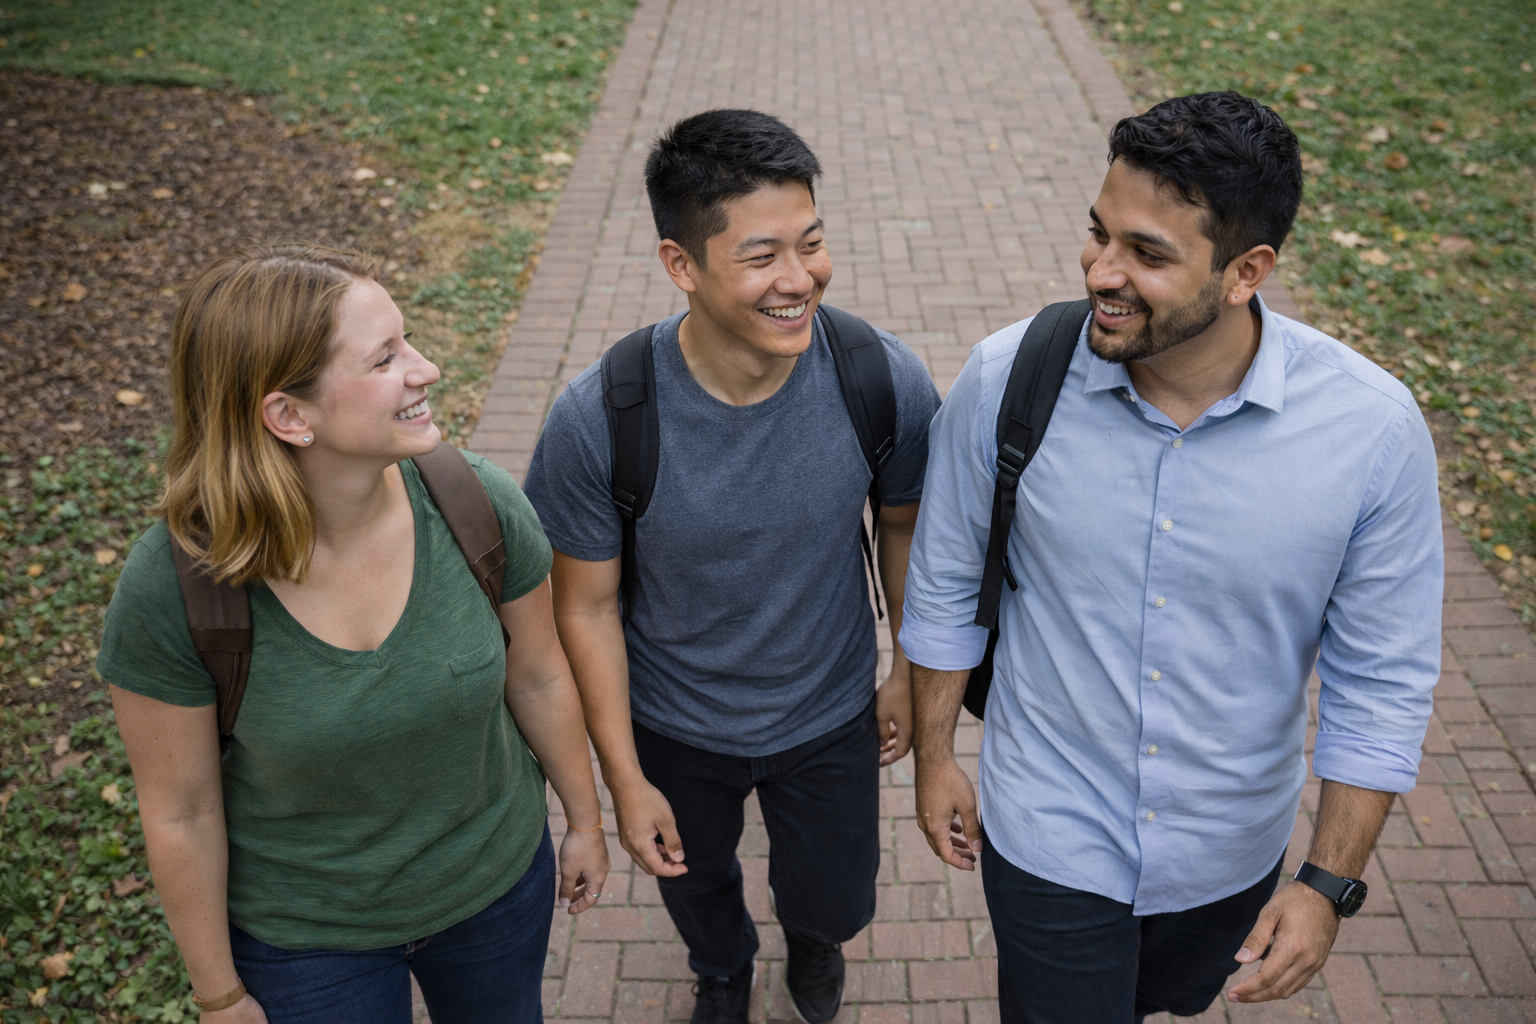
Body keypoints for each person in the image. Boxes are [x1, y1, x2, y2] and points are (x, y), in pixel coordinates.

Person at [902, 92, 1442, 1021]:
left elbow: (1382, 682)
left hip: (1229, 851)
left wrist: (1326, 883)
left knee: (1170, 999)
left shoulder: (1373, 433)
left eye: (1146, 254)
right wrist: (935, 756)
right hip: (1047, 833)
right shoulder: (1003, 379)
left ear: (1246, 272)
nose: (1100, 271)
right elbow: (946, 584)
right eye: (1098, 232)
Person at [99, 243, 610, 1024]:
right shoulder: (173, 588)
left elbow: (537, 674)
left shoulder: (475, 503)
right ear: (289, 416)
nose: (426, 368)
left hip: (495, 892)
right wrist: (219, 996)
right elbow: (181, 811)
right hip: (307, 944)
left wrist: (584, 820)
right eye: (384, 359)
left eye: (408, 341)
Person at [523, 109, 941, 1024]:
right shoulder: (600, 419)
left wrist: (908, 671)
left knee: (835, 896)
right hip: (674, 722)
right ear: (682, 264)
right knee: (694, 879)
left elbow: (904, 530)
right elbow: (584, 609)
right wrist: (623, 777)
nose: (799, 279)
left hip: (831, 709)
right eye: (762, 257)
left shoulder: (881, 379)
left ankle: (815, 942)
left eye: (812, 243)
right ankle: (722, 968)